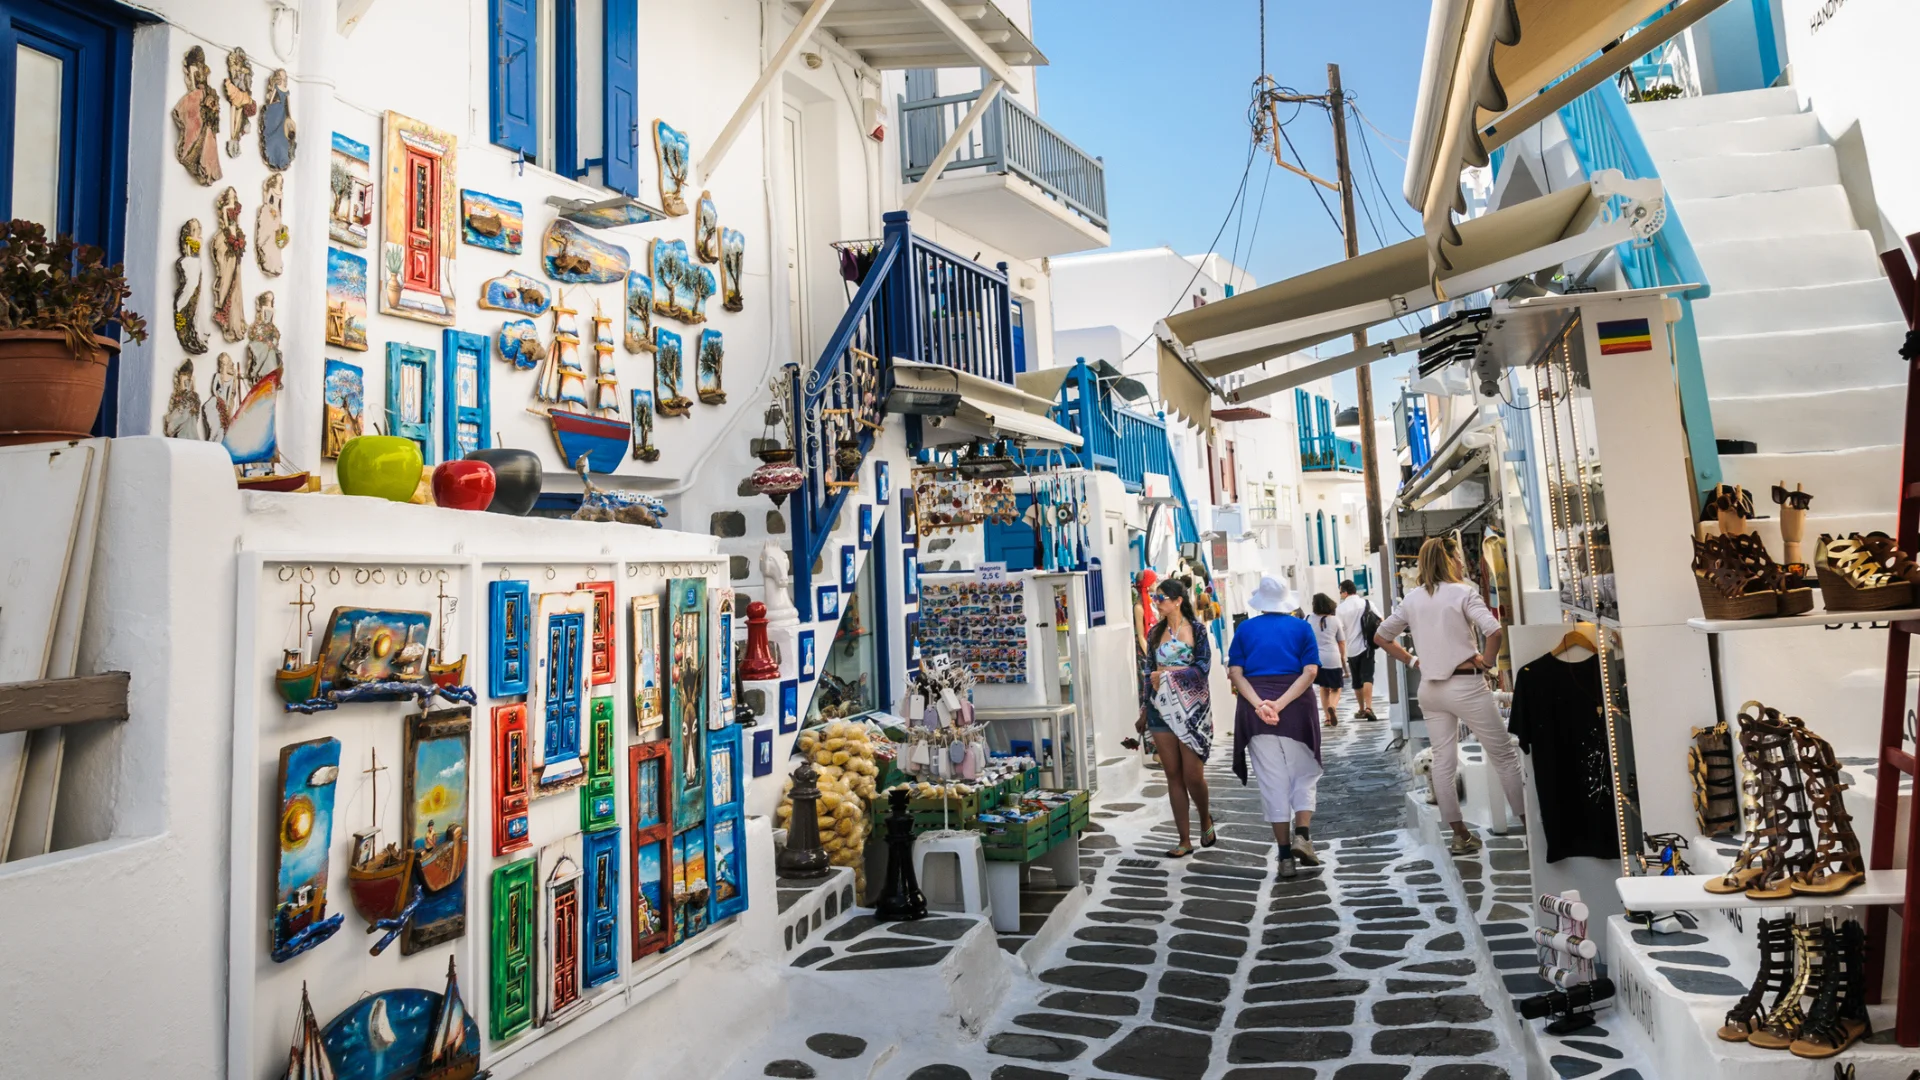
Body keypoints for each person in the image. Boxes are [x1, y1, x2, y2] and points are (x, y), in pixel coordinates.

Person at [1373, 537, 1528, 855]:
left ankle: (1460, 836)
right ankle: (1529, 827)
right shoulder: (1462, 592)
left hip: (1430, 689)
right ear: (1448, 560)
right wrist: (1486, 662)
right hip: (1466, 685)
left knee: (1443, 761)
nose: (1461, 561)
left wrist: (1412, 661)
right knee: (1503, 755)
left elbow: (1381, 636)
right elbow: (1494, 631)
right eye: (1457, 556)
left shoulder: (1412, 599)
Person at [1228, 575, 1324, 878]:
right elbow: (1310, 671)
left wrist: (1260, 704)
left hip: (1254, 712)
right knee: (1304, 775)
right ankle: (1303, 836)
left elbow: (1234, 672)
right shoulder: (1302, 627)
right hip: (1297, 709)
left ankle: (1284, 858)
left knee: (1272, 781)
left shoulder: (1244, 629)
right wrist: (1280, 704)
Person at [1134, 578, 1215, 857]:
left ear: (1178, 601)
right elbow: (1149, 673)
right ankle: (1184, 839)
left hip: (1192, 709)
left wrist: (1170, 675)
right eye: (1155, 598)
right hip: (1160, 708)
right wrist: (1145, 708)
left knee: (1193, 775)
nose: (1156, 603)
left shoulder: (1198, 631)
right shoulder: (1155, 633)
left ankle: (1205, 818)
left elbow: (1203, 668)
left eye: (1161, 598)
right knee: (1172, 775)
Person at [1336, 580, 1377, 720]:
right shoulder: (1367, 604)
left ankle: (1360, 709)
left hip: (1351, 649)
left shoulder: (1340, 609)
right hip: (1367, 647)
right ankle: (1369, 707)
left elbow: (1339, 631)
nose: (1340, 594)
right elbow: (1381, 620)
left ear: (1345, 592)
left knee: (1356, 681)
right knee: (1368, 677)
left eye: (1340, 591)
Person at [1309, 594, 1347, 726]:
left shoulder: (1308, 619)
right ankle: (1332, 706)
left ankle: (1327, 718)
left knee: (1323, 688)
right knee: (1336, 688)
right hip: (1332, 658)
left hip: (1315, 659)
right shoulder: (1334, 620)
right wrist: (1343, 658)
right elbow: (1341, 642)